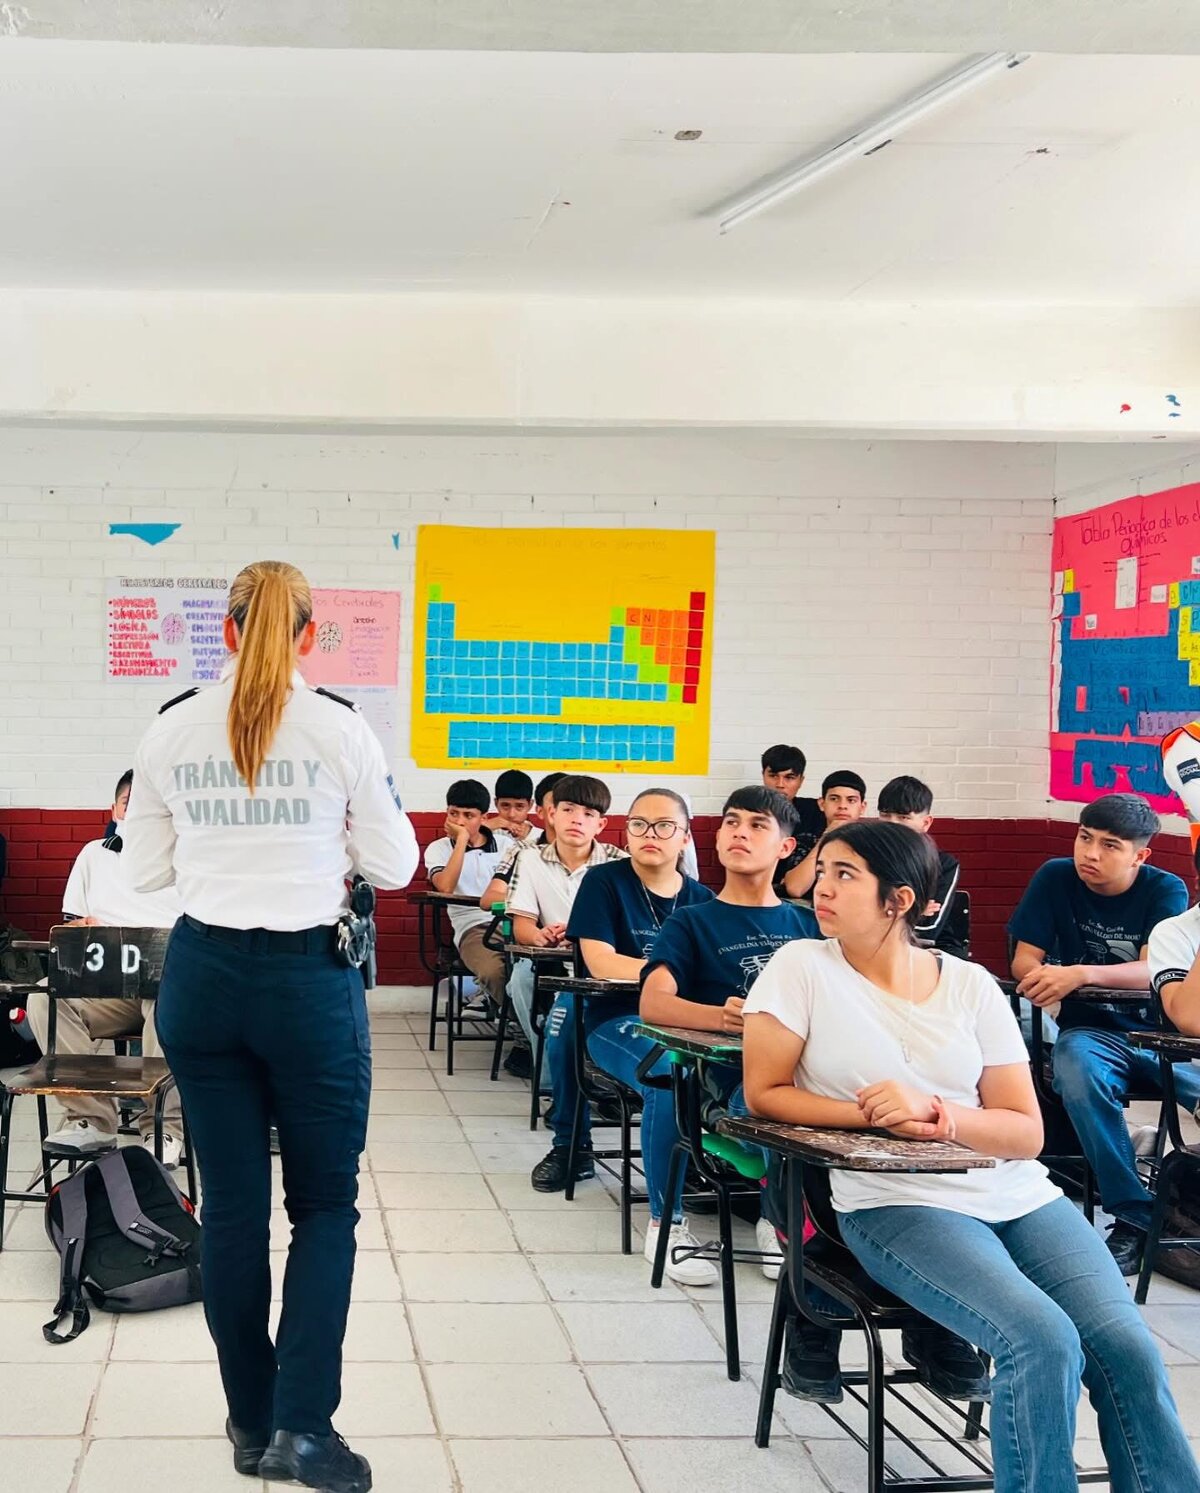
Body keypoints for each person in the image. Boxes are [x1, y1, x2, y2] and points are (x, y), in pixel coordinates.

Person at [743, 819, 1199, 1493]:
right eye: (823, 872)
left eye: (845, 875)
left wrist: (938, 1115)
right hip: (896, 1201)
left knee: (1127, 1349)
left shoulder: (969, 984)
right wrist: (878, 1114)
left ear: (898, 900)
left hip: (1016, 1193)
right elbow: (765, 1092)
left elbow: (1024, 1132)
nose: (822, 888)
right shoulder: (801, 968)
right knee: (1040, 1339)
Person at [122, 560, 419, 1493]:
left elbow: (143, 873)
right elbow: (396, 865)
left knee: (233, 1211)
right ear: (309, 635)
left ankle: (252, 1423)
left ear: (227, 629)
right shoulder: (340, 727)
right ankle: (304, 1430)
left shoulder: (171, 727)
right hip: (306, 984)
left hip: (203, 979)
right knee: (324, 1206)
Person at [610, 786, 819, 1282]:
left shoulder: (807, 924)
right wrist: (719, 1017)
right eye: (731, 822)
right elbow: (653, 1003)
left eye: (758, 825)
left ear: (786, 847)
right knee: (782, 1112)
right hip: (730, 1080)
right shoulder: (690, 921)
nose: (740, 833)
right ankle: (691, 1222)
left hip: (809, 1074)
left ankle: (780, 1221)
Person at [1008, 792, 1191, 1273]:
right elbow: (1024, 959)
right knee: (1076, 1073)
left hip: (1165, 1038)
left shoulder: (1165, 888)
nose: (1090, 853)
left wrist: (1079, 974)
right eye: (1084, 837)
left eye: (1110, 845)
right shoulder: (1055, 876)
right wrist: (1042, 979)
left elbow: (1154, 970)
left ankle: (1185, 1204)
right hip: (1090, 1033)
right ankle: (1134, 1216)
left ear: (1139, 856)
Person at [529, 788, 713, 1194]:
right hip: (614, 1011)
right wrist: (673, 976)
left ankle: (699, 1159)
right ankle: (570, 1145)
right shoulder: (604, 882)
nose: (650, 834)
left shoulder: (702, 900)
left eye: (664, 826)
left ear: (685, 837)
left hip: (683, 1018)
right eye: (639, 824)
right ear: (626, 832)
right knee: (566, 1024)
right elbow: (601, 962)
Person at [25, 768, 186, 1162]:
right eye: (130, 803)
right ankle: (92, 1120)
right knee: (44, 998)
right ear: (114, 810)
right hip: (104, 986)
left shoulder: (186, 859)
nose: (139, 812)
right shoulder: (93, 855)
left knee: (171, 1002)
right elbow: (69, 927)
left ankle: (164, 1127)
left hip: (165, 984)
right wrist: (79, 928)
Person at [504, 775, 627, 1096]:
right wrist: (541, 936)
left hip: (604, 964)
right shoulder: (530, 859)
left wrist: (585, 934)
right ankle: (551, 1079)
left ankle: (597, 1078)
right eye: (569, 809)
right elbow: (522, 926)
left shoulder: (619, 863)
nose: (577, 820)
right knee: (520, 979)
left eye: (588, 814)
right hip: (554, 962)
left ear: (601, 824)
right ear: (551, 814)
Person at [423, 778, 509, 1011]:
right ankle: (521, 1023)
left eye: (468, 815)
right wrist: (462, 840)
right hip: (472, 929)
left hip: (512, 922)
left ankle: (529, 1020)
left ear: (484, 818)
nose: (459, 821)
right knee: (494, 972)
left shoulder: (506, 846)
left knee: (536, 968)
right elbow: (445, 887)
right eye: (453, 814)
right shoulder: (439, 849)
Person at [877, 774, 965, 957]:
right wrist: (914, 909)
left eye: (903, 817)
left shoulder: (944, 865)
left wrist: (882, 907)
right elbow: (853, 918)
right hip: (876, 949)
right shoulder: (866, 859)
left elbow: (928, 930)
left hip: (934, 952)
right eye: (885, 815)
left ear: (925, 823)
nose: (892, 824)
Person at [782, 770, 868, 899]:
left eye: (851, 800)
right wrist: (826, 838)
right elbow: (795, 889)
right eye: (834, 799)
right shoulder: (808, 840)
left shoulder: (871, 844)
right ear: (822, 804)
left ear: (862, 807)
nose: (842, 806)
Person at [761, 744, 825, 893]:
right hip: (760, 895)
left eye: (789, 777)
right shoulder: (749, 813)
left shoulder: (816, 811)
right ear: (763, 775)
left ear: (801, 780)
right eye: (773, 776)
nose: (780, 784)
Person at [484, 768, 539, 845]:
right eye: (505, 805)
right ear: (496, 803)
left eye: (519, 806)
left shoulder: (542, 837)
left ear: (530, 805)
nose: (511, 814)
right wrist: (483, 828)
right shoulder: (484, 833)